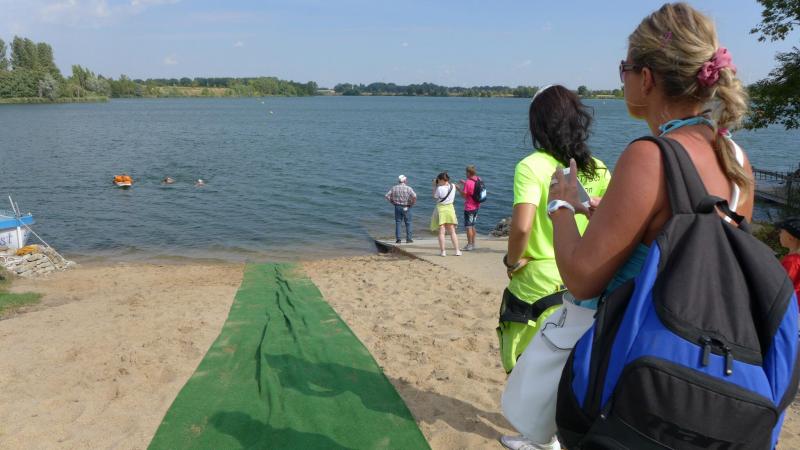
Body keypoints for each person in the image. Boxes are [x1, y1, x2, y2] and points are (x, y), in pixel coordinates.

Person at [499, 85, 611, 450]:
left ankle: (540, 439)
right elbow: (606, 223)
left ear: (537, 124)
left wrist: (511, 261)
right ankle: (555, 436)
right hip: (582, 276)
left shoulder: (532, 166)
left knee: (524, 357)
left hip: (539, 278)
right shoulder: (598, 168)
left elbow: (522, 227)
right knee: (568, 360)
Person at [430, 172, 461, 256]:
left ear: (441, 180)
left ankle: (443, 251)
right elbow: (453, 186)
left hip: (441, 209)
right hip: (450, 209)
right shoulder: (453, 186)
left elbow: (435, 196)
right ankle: (457, 251)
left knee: (441, 232)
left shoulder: (439, 188)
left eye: (438, 180)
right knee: (452, 231)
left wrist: (434, 186)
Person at [384, 175, 417, 243]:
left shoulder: (394, 188)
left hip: (397, 206)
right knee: (408, 223)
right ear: (405, 180)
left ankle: (398, 239)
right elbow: (414, 196)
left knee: (398, 223)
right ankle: (408, 239)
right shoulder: (408, 188)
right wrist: (412, 204)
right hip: (407, 206)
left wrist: (392, 202)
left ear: (399, 181)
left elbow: (387, 196)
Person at [456, 165, 481, 250]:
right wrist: (464, 182)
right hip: (477, 206)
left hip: (469, 208)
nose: (465, 174)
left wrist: (458, 189)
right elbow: (474, 188)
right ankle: (473, 243)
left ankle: (469, 245)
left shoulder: (468, 182)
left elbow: (464, 196)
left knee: (468, 227)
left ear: (469, 173)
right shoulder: (478, 179)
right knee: (473, 225)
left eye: (466, 172)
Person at [778, 217, 800, 304]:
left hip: (788, 305)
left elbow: (781, 288)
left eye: (781, 232)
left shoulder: (792, 261)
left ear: (790, 237)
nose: (779, 235)